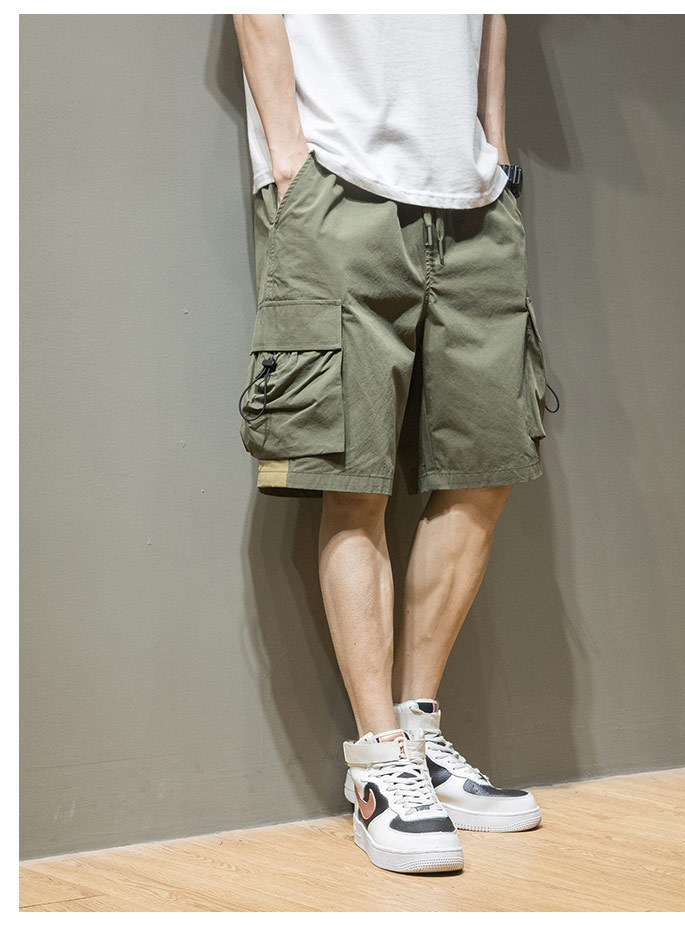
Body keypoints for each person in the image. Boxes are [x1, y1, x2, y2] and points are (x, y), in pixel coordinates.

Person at [233, 13, 557, 874]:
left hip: (474, 200)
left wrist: (494, 150)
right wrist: (290, 162)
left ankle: (417, 735)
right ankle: (378, 765)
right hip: (338, 186)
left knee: (486, 466)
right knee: (353, 479)